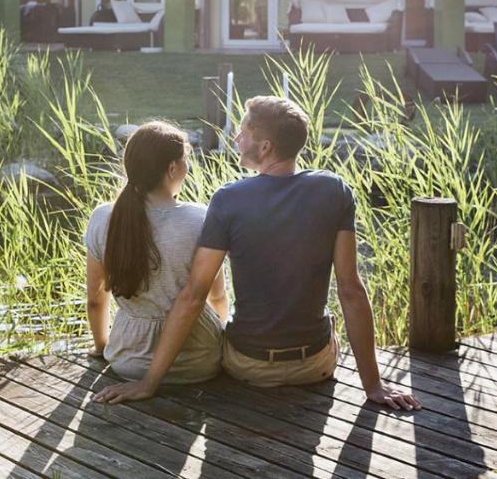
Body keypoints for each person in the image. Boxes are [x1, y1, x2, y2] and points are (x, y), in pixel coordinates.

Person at [94, 96, 420, 410]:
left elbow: (194, 296)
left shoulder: (228, 199)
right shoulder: (335, 190)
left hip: (248, 366)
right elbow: (350, 289)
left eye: (245, 131)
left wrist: (148, 383)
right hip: (316, 365)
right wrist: (374, 386)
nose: (236, 137)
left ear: (265, 147)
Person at [84, 120, 227, 383]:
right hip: (199, 362)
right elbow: (217, 298)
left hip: (128, 360)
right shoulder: (202, 219)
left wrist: (102, 347)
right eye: (186, 160)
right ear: (173, 168)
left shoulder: (103, 217)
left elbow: (95, 300)